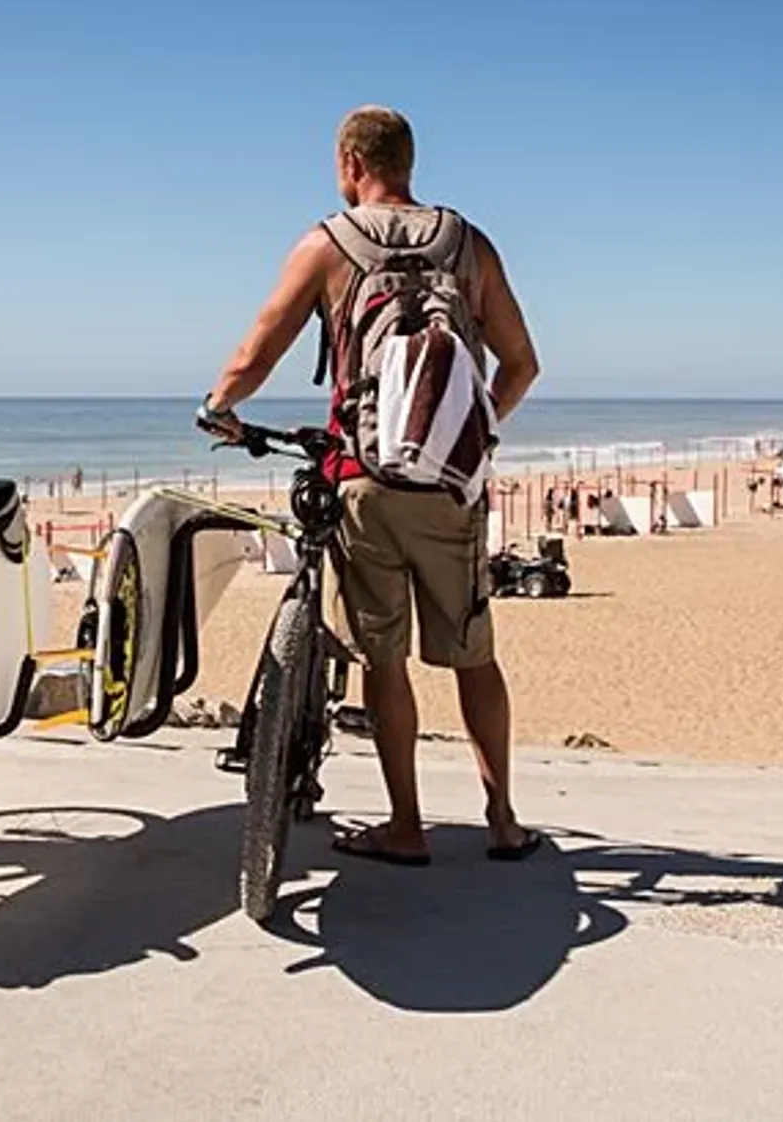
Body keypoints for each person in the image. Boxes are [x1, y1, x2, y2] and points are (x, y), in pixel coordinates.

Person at [198, 106, 542, 865]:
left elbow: (257, 350)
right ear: (408, 163)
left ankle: (406, 826)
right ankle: (505, 820)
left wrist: (219, 408)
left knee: (386, 658)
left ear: (351, 162)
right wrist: (472, 429)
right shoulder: (468, 243)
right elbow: (522, 363)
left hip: (365, 479)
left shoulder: (328, 244)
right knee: (474, 652)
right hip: (451, 488)